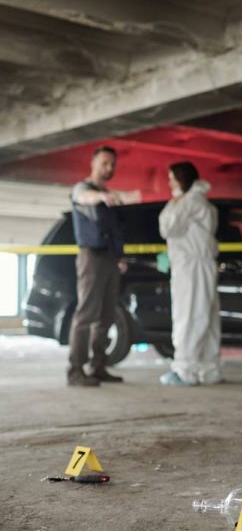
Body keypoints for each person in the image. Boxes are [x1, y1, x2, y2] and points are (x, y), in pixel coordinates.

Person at [67, 145, 127, 387]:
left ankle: (98, 366)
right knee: (86, 313)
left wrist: (120, 256)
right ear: (93, 164)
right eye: (104, 163)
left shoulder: (108, 193)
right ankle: (75, 370)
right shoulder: (83, 189)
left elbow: (113, 230)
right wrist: (102, 196)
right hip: (91, 257)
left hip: (111, 257)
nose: (109, 168)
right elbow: (82, 198)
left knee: (106, 314)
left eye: (112, 164)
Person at [158, 162, 221, 386]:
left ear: (181, 180)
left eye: (172, 178)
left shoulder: (188, 202)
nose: (169, 183)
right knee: (207, 317)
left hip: (191, 267)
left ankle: (185, 370)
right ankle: (209, 369)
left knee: (189, 316)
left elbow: (167, 227)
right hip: (202, 264)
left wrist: (173, 202)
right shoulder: (201, 201)